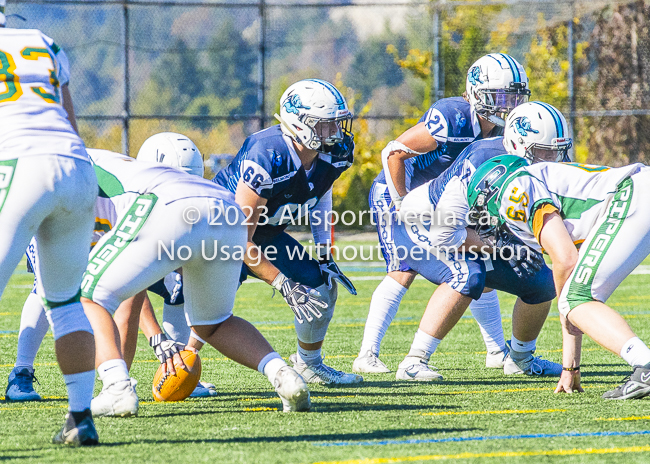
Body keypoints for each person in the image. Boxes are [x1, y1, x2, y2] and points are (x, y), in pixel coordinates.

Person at [81, 147, 311, 415]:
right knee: (214, 323)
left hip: (166, 206)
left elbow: (127, 301)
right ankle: (284, 376)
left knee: (89, 295)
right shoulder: (113, 167)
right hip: (226, 207)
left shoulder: (62, 162)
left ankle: (116, 388)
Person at [5, 133, 218, 402]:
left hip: (99, 221)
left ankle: (174, 366)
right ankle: (21, 372)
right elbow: (128, 283)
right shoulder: (129, 194)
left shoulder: (150, 196)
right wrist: (156, 337)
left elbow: (134, 279)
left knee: (177, 286)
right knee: (51, 289)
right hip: (54, 211)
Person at [354, 53, 531, 375]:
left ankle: (496, 350)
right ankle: (367, 353)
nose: (508, 104)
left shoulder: (503, 130)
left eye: (514, 96)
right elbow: (393, 153)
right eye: (501, 96)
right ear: (476, 92)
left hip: (441, 200)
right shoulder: (454, 116)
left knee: (480, 265)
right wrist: (401, 201)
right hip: (399, 192)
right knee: (403, 270)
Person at [387, 102, 572, 381]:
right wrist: (503, 246)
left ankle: (520, 358)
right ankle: (413, 362)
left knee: (542, 281)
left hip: (478, 231)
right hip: (422, 223)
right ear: (518, 144)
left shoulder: (535, 166)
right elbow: (444, 234)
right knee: (468, 273)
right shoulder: (483, 160)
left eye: (557, 151)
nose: (551, 160)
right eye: (544, 152)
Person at [212, 79, 362, 385]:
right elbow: (240, 237)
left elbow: (321, 191)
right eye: (324, 125)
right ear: (298, 123)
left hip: (265, 232)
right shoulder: (268, 153)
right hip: (221, 231)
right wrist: (282, 284)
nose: (335, 132)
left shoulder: (335, 151)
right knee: (205, 306)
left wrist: (324, 253)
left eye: (336, 123)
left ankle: (309, 363)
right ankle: (180, 364)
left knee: (321, 285)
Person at [467, 154, 650, 399]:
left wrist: (568, 308)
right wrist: (570, 366)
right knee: (575, 298)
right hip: (638, 192)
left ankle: (645, 365)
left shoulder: (513, 189)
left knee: (575, 298)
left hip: (633, 197)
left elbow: (565, 261)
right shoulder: (541, 179)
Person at [0, 6, 99, 445]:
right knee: (65, 302)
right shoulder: (44, 41)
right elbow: (69, 120)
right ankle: (80, 418)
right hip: (76, 166)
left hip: (18, 165)